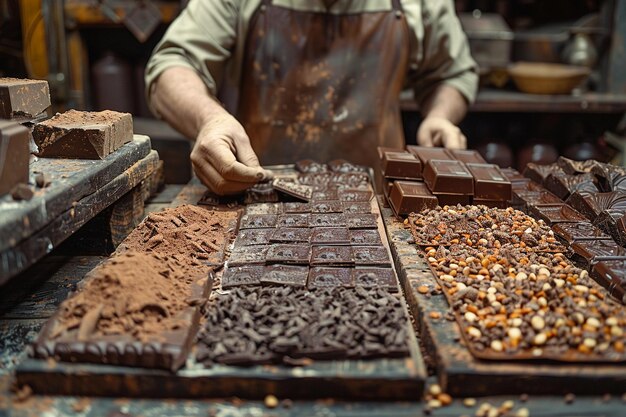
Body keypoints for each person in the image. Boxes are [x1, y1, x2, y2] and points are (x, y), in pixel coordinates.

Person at [146, 0, 478, 195]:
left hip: (379, 198)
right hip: (251, 187)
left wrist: (440, 115)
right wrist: (210, 119)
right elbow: (172, 65)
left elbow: (452, 73)